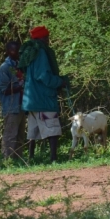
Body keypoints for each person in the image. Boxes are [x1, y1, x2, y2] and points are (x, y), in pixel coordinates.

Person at [18, 26, 69, 162]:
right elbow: (43, 76)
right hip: (43, 98)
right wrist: (60, 81)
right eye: (46, 37)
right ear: (41, 38)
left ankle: (30, 159)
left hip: (31, 100)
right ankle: (53, 159)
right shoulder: (41, 52)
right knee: (52, 128)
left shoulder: (29, 52)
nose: (48, 40)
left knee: (33, 132)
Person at [0, 41, 25, 159]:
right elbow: (4, 89)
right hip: (11, 106)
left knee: (20, 135)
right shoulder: (4, 68)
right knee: (10, 135)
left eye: (18, 50)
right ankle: (7, 160)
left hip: (21, 105)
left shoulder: (18, 65)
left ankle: (17, 160)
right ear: (8, 51)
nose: (17, 52)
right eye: (14, 50)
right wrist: (20, 87)